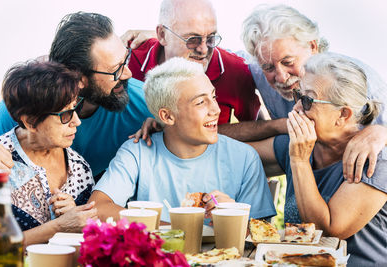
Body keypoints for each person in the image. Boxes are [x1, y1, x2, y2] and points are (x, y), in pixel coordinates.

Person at [89, 57, 276, 222]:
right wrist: (173, 232)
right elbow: (98, 208)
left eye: (213, 97)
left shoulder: (244, 157)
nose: (216, 110)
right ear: (167, 117)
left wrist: (232, 215)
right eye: (201, 102)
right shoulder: (137, 152)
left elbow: (261, 232)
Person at [251, 53, 387, 266]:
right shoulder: (304, 143)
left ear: (342, 114)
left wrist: (299, 161)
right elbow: (235, 152)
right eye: (298, 96)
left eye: (307, 101)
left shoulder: (374, 161)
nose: (296, 109)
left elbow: (328, 231)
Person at [0, 12, 152, 179]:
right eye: (115, 70)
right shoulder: (25, 107)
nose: (128, 74)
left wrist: (164, 127)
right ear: (78, 76)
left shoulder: (146, 101)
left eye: (126, 60)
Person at [242, 4, 387, 182]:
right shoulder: (257, 71)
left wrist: (382, 132)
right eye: (268, 67)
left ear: (312, 47)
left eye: (288, 62)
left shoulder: (360, 83)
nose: (280, 77)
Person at [125, 0, 287, 141]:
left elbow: (255, 125)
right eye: (192, 40)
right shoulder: (128, 58)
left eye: (211, 38)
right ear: (162, 34)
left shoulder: (236, 71)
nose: (203, 50)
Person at [0, 61, 97, 246]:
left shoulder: (80, 168)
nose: (77, 121)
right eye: (65, 115)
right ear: (30, 122)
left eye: (74, 108)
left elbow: (90, 239)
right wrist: (58, 227)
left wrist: (78, 218)